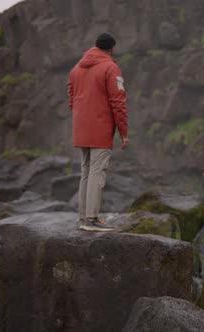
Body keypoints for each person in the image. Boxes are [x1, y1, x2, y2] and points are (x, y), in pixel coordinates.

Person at [67, 32, 129, 232]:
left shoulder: (76, 69)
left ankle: (83, 217)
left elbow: (71, 98)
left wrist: (80, 118)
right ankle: (91, 219)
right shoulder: (111, 67)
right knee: (96, 172)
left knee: (85, 171)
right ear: (112, 48)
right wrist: (123, 132)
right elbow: (118, 101)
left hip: (81, 127)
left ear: (95, 46)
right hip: (100, 128)